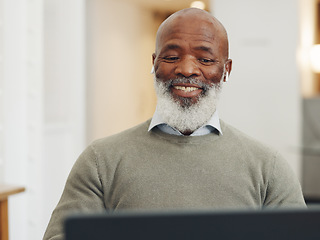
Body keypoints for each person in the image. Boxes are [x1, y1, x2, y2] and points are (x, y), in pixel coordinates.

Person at [43, 8, 305, 240]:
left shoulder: (267, 167)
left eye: (204, 59)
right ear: (154, 63)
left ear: (226, 70)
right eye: (171, 57)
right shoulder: (100, 161)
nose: (187, 69)